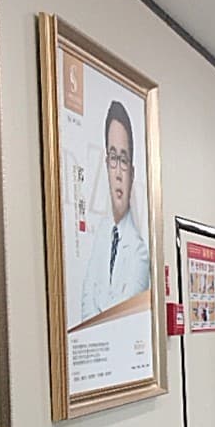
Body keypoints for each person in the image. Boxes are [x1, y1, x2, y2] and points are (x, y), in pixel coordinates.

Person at [80, 100, 149, 323]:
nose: (118, 172)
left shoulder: (140, 252)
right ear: (106, 164)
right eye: (113, 158)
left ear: (132, 173)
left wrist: (100, 315)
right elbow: (86, 303)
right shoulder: (102, 235)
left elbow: (122, 315)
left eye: (124, 160)